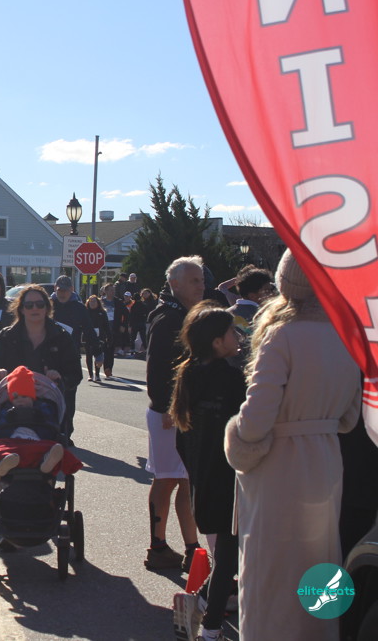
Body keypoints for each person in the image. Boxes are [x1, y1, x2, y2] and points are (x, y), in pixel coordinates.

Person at [224, 250, 360, 641]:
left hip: (278, 465)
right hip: (326, 460)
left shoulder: (282, 334)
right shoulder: (347, 336)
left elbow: (256, 418)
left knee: (271, 574)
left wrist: (238, 442)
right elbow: (350, 417)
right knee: (320, 564)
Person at [169, 302, 246, 641]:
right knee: (229, 559)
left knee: (229, 557)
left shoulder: (188, 374)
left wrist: (195, 472)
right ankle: (211, 630)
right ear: (217, 342)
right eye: (231, 331)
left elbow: (180, 438)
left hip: (202, 479)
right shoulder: (231, 378)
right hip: (229, 478)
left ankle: (198, 603)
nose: (237, 336)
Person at [144, 256, 203, 571]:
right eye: (194, 280)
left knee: (184, 479)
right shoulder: (168, 317)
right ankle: (160, 546)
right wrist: (167, 406)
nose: (200, 286)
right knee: (168, 478)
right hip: (169, 413)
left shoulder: (187, 313)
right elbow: (156, 368)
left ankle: (191, 547)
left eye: (201, 280)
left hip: (185, 411)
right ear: (174, 283)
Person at [0, 285, 82, 432]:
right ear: (22, 309)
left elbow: (75, 373)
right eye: (29, 305)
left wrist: (59, 379)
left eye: (40, 304)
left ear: (47, 308)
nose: (34, 308)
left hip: (50, 411)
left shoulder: (61, 337)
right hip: (12, 408)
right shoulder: (6, 336)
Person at [0, 366, 81, 480]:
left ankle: (46, 462)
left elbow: (51, 428)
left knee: (52, 447)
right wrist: (10, 416)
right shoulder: (6, 409)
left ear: (32, 397)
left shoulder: (43, 407)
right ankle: (4, 464)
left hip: (37, 443)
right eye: (15, 397)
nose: (19, 400)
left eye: (24, 396)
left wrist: (37, 416)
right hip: (11, 444)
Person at [49, 275, 99, 435]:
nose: (62, 293)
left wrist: (98, 352)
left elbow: (89, 330)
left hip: (71, 358)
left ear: (71, 290)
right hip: (50, 358)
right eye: (59, 290)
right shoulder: (48, 306)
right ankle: (50, 431)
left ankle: (66, 432)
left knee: (69, 397)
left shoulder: (79, 308)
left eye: (65, 290)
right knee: (49, 397)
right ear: (55, 289)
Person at [226, 266, 273, 369]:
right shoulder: (264, 316)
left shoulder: (226, 314)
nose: (271, 294)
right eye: (267, 291)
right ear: (252, 296)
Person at [83, 295, 110, 382]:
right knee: (89, 355)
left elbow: (106, 326)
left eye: (94, 301)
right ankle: (91, 375)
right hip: (88, 336)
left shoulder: (102, 312)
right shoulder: (85, 312)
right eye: (91, 301)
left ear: (98, 303)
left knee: (98, 354)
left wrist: (109, 337)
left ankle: (97, 375)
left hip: (99, 337)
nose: (92, 303)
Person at [128, 287, 156, 356]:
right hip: (143, 323)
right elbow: (147, 313)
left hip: (136, 323)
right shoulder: (143, 304)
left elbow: (131, 316)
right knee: (143, 338)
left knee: (133, 338)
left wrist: (130, 324)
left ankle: (133, 350)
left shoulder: (133, 306)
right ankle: (146, 350)